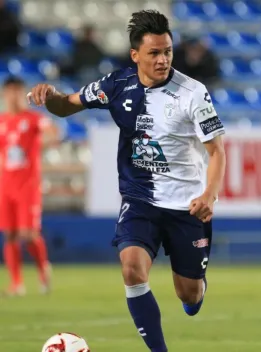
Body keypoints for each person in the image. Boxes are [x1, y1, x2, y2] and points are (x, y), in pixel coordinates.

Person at [28, 10, 226, 352]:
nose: (163, 59)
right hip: (140, 200)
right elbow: (68, 105)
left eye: (167, 51)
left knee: (189, 294)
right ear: (135, 54)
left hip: (188, 206)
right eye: (154, 53)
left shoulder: (193, 93)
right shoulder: (116, 85)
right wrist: (51, 97)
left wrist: (209, 194)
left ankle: (195, 291)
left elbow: (218, 151)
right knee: (132, 269)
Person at [0, 76, 54, 296]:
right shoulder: (2, 121)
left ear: (21, 92)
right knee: (10, 234)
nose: (13, 95)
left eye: (16, 90)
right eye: (9, 91)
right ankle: (16, 283)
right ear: (4, 94)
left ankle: (43, 269)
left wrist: (43, 143)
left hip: (28, 186)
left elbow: (53, 133)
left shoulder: (34, 119)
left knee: (28, 233)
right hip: (5, 185)